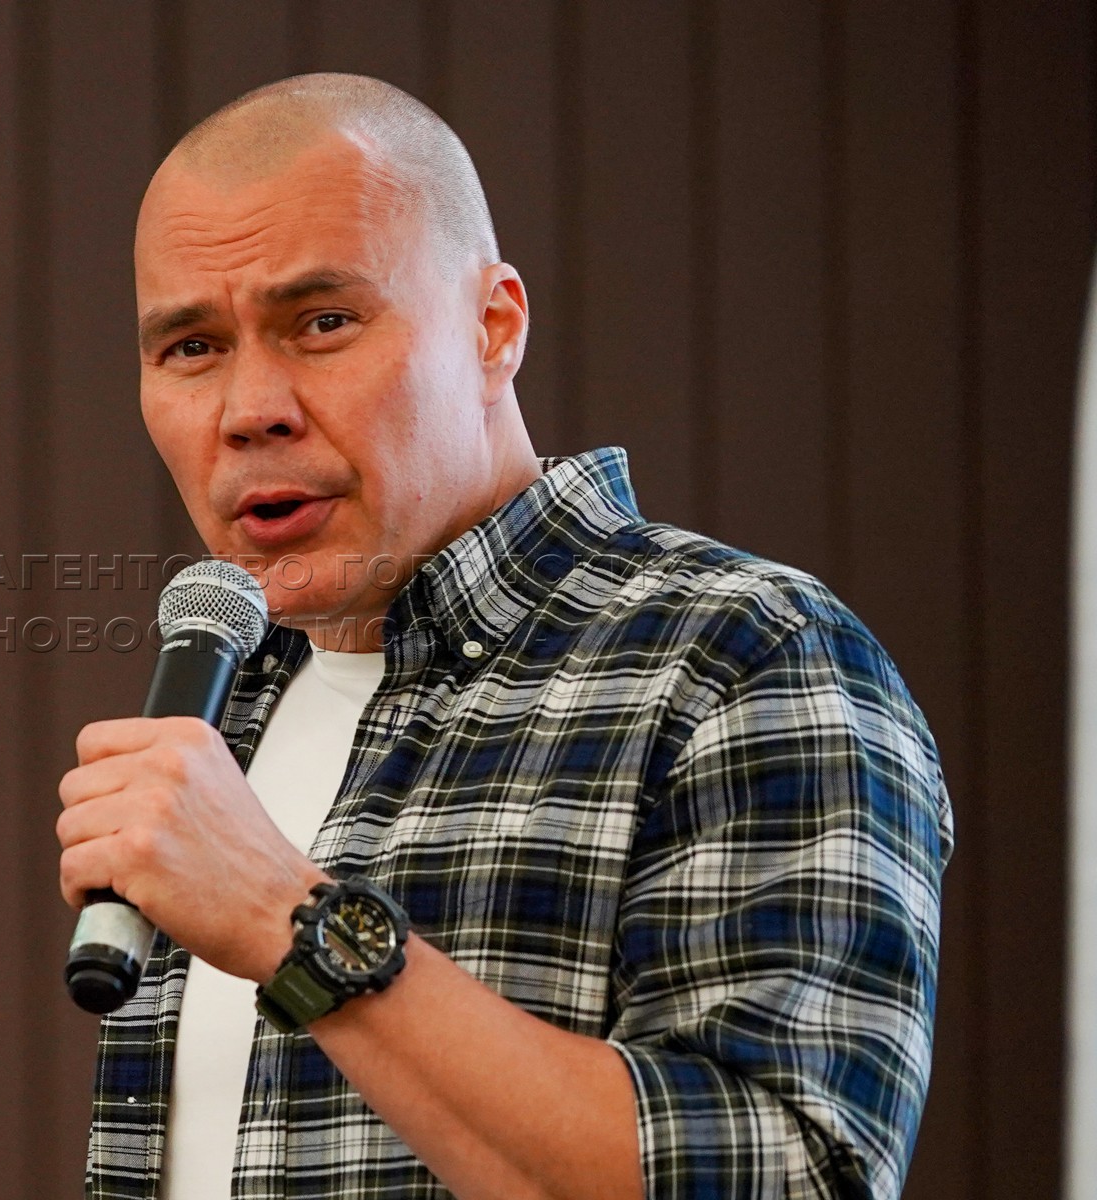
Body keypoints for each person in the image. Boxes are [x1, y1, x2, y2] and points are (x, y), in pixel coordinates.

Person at [54, 72, 953, 1200]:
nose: (249, 409)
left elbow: (792, 1176)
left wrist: (291, 924)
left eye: (323, 323)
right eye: (191, 347)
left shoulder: (745, 659)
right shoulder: (221, 707)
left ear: (493, 329)